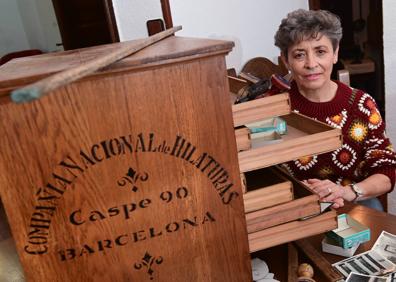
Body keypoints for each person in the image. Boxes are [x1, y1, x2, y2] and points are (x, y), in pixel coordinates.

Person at [274, 9, 396, 211]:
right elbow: (258, 171)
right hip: (293, 206)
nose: (311, 64)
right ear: (286, 60)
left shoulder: (362, 105)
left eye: (320, 51)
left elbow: (387, 170)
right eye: (299, 55)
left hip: (353, 200)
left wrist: (348, 192)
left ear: (335, 53)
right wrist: (298, 191)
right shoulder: (272, 106)